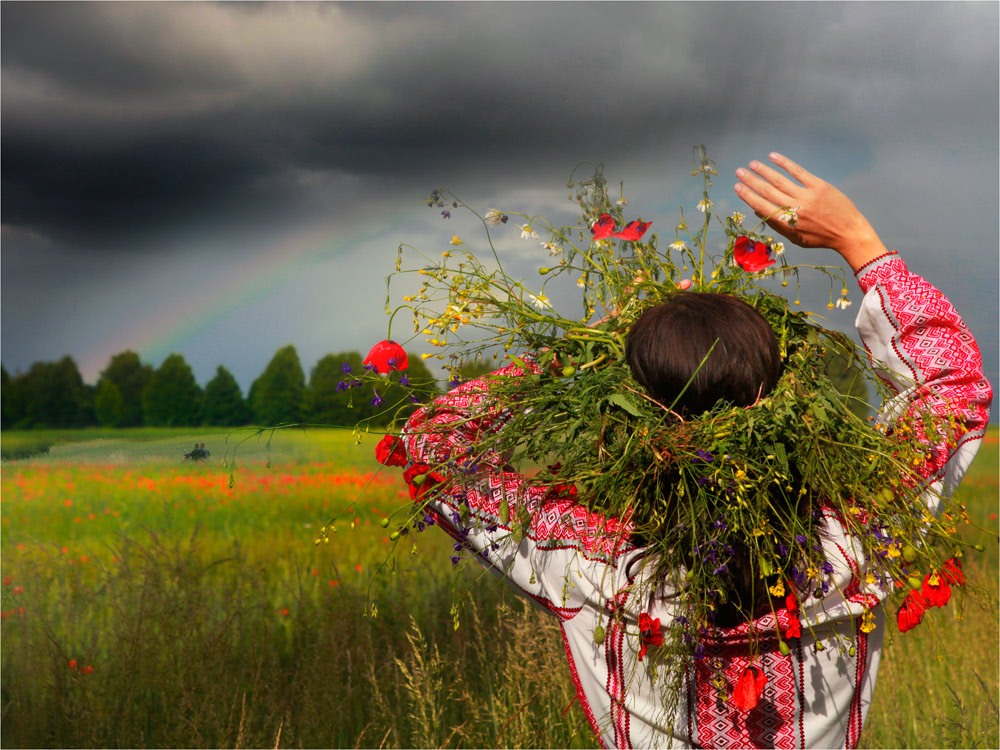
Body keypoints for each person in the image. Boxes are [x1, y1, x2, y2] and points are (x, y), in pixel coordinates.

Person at [400, 153, 992, 748]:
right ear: (772, 400)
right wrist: (860, 242)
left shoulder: (584, 561)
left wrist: (574, 358)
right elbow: (955, 383)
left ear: (632, 414)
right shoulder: (860, 536)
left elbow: (431, 444)